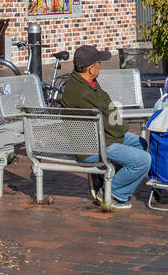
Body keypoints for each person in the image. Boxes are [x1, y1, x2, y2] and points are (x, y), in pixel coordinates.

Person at [57, 44, 150, 209]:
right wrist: (122, 130)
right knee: (143, 160)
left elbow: (107, 117)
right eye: (99, 63)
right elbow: (111, 122)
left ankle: (106, 177)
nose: (101, 65)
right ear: (91, 68)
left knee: (140, 143)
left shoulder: (84, 81)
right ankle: (112, 192)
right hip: (92, 147)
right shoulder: (82, 92)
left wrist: (120, 130)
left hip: (98, 137)